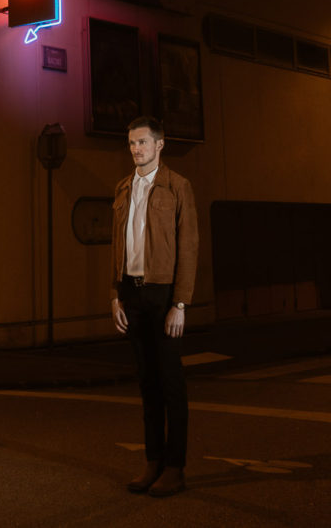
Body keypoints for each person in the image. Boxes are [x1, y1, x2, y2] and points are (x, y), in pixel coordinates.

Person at [110, 115, 198, 497]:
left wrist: (180, 302)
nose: (135, 149)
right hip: (131, 293)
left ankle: (175, 468)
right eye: (131, 143)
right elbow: (116, 244)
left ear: (160, 145)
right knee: (147, 382)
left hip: (163, 296)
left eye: (142, 142)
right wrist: (115, 295)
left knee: (171, 382)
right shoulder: (123, 188)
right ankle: (152, 462)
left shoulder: (178, 187)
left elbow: (189, 247)